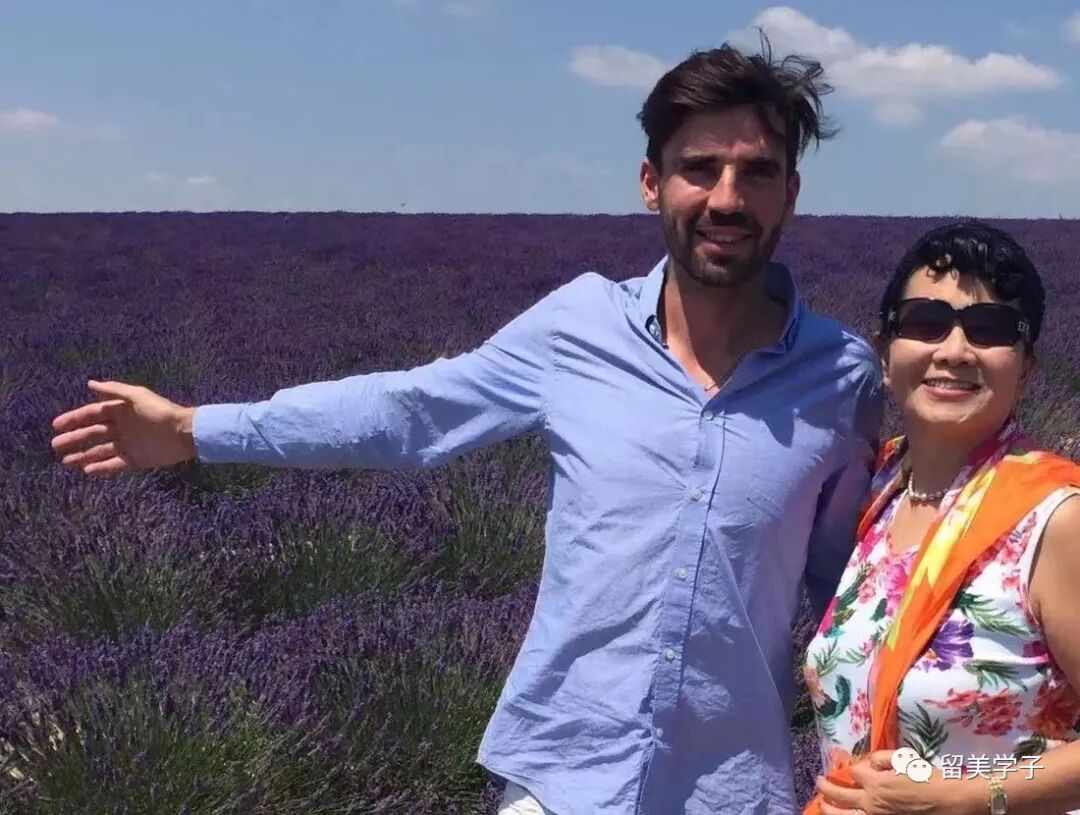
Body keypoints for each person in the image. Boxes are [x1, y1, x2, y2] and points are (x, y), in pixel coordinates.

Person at [50, 39, 883, 815]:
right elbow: (411, 412)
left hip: (729, 788)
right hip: (563, 777)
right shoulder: (579, 328)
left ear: (790, 193)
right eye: (699, 168)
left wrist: (925, 775)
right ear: (650, 182)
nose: (726, 198)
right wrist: (196, 429)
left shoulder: (842, 380)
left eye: (755, 172)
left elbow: (854, 597)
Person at [802, 222, 1080, 815]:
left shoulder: (1056, 520)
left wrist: (966, 798)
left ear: (1026, 368)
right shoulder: (873, 490)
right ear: (884, 352)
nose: (954, 351)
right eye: (926, 322)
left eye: (991, 330)